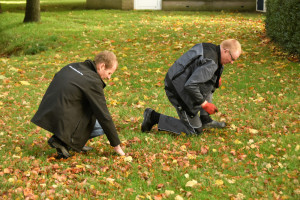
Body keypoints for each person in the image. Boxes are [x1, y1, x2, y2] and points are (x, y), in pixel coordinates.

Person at [31, 51, 125, 158]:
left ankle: (73, 142)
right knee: (100, 124)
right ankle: (62, 141)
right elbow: (103, 115)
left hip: (47, 111)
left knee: (89, 107)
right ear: (102, 66)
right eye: (109, 73)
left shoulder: (73, 66)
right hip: (62, 117)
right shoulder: (92, 80)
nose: (109, 78)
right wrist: (116, 145)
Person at [141, 39, 242, 135]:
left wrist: (216, 79)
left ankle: (205, 120)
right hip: (177, 89)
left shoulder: (211, 49)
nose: (232, 62)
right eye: (232, 58)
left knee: (211, 81)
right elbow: (190, 85)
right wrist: (205, 104)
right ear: (225, 51)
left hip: (177, 78)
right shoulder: (211, 63)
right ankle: (153, 117)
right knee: (194, 130)